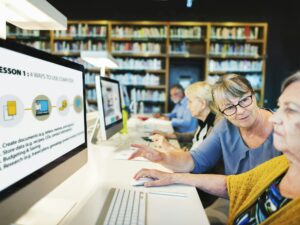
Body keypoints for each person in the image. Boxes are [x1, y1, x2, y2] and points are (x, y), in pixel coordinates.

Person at [132, 71, 300, 225]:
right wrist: (163, 158)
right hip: (234, 204)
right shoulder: (226, 127)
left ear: (253, 96)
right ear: (221, 111)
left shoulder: (284, 140)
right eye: (229, 107)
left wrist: (175, 176)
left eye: (244, 100)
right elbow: (205, 166)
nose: (240, 111)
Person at [151, 81, 220, 152]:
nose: (187, 106)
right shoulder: (204, 121)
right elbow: (194, 136)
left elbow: (201, 159)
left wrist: (170, 148)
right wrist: (169, 135)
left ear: (202, 103)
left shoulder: (216, 128)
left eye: (190, 102)